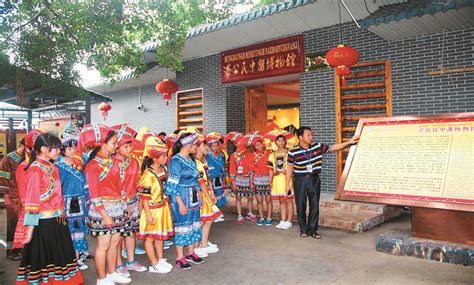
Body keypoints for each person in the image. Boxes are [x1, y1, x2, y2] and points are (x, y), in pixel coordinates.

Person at [16, 133, 84, 285]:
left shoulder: (52, 167)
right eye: (56, 149)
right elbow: (32, 201)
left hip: (58, 220)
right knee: (46, 258)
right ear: (43, 149)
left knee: (59, 257)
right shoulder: (35, 170)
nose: (59, 152)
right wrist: (30, 229)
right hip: (43, 223)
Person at [286, 126, 358, 239]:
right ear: (300, 137)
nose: (311, 137)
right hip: (300, 180)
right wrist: (287, 184)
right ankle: (303, 229)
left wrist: (349, 142)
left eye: (311, 135)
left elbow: (334, 147)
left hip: (314, 179)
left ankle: (313, 230)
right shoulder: (292, 152)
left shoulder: (317, 146)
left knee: (314, 205)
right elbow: (289, 168)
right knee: (301, 205)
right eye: (308, 135)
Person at [82, 124, 131, 284]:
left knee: (115, 242)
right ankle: (101, 278)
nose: (116, 145)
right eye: (113, 143)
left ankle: (112, 272)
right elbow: (94, 194)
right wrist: (104, 215)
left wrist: (125, 205)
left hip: (117, 207)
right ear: (102, 145)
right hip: (102, 209)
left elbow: (120, 186)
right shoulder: (92, 166)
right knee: (103, 245)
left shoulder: (115, 161)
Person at [111, 124, 148, 277]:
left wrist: (139, 201)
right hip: (117, 205)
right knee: (118, 236)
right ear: (117, 147)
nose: (129, 149)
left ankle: (131, 261)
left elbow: (138, 182)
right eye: (126, 146)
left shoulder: (134, 162)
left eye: (130, 146)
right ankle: (118, 263)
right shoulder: (110, 162)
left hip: (132, 202)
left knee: (131, 233)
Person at [136, 136, 174, 273]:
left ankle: (160, 259)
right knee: (150, 237)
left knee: (160, 235)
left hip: (162, 207)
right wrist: (148, 215)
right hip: (152, 210)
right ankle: (153, 263)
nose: (166, 158)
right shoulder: (147, 175)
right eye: (163, 156)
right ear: (154, 158)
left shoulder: (163, 169)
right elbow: (144, 198)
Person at [166, 132, 204, 270]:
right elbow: (172, 185)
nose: (197, 148)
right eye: (195, 145)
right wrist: (180, 203)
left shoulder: (191, 159)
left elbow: (196, 180)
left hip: (192, 196)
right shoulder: (176, 161)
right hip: (180, 197)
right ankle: (179, 257)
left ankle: (190, 252)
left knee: (193, 224)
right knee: (182, 226)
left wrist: (199, 196)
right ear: (188, 145)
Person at [56, 125, 90, 270]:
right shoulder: (57, 165)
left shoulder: (79, 162)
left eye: (74, 147)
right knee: (67, 231)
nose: (73, 150)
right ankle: (67, 260)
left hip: (79, 201)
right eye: (69, 148)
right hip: (65, 201)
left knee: (79, 230)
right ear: (62, 149)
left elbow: (86, 181)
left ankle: (76, 260)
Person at [13, 129, 46, 253]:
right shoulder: (24, 168)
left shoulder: (42, 166)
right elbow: (24, 197)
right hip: (33, 213)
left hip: (44, 212)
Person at [194, 135, 221, 257]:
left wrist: (212, 194)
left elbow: (208, 178)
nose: (206, 147)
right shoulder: (195, 162)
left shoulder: (203, 160)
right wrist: (208, 197)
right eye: (204, 145)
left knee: (208, 219)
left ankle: (203, 243)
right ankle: (197, 246)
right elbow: (200, 183)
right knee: (202, 220)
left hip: (207, 192)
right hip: (201, 194)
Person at [0, 139, 25, 260]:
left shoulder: (26, 158)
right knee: (12, 225)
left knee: (23, 225)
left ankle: (20, 248)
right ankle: (11, 250)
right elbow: (3, 178)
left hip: (23, 197)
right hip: (12, 196)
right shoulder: (8, 159)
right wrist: (6, 196)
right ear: (22, 145)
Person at [268, 135, 294, 230]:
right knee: (281, 200)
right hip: (277, 179)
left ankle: (289, 221)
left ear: (285, 142)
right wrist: (270, 182)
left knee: (289, 200)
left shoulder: (290, 153)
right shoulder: (272, 154)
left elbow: (293, 167)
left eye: (283, 140)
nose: (281, 142)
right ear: (275, 142)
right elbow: (270, 170)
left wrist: (289, 173)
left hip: (286, 179)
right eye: (279, 141)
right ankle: (283, 220)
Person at [229, 140, 257, 225]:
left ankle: (250, 213)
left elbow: (252, 169)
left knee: (250, 197)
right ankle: (240, 215)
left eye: (243, 142)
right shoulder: (233, 156)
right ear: (236, 143)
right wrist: (233, 182)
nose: (241, 144)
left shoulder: (250, 154)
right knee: (238, 198)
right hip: (238, 178)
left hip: (248, 178)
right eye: (239, 142)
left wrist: (251, 182)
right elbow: (232, 169)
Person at [205, 133, 227, 222]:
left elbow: (223, 168)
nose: (216, 148)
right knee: (213, 196)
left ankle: (218, 212)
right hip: (211, 179)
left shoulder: (221, 156)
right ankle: (214, 214)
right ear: (210, 147)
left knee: (219, 195)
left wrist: (224, 179)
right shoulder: (207, 156)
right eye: (213, 146)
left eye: (217, 146)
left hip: (219, 179)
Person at [252, 137, 272, 226]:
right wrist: (251, 182)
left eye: (260, 144)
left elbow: (272, 168)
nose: (259, 146)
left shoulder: (269, 154)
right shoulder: (252, 155)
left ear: (263, 144)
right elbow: (252, 170)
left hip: (267, 178)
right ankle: (261, 217)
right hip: (257, 179)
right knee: (259, 200)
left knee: (268, 200)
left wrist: (271, 181)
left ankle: (269, 217)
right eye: (257, 145)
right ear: (255, 147)